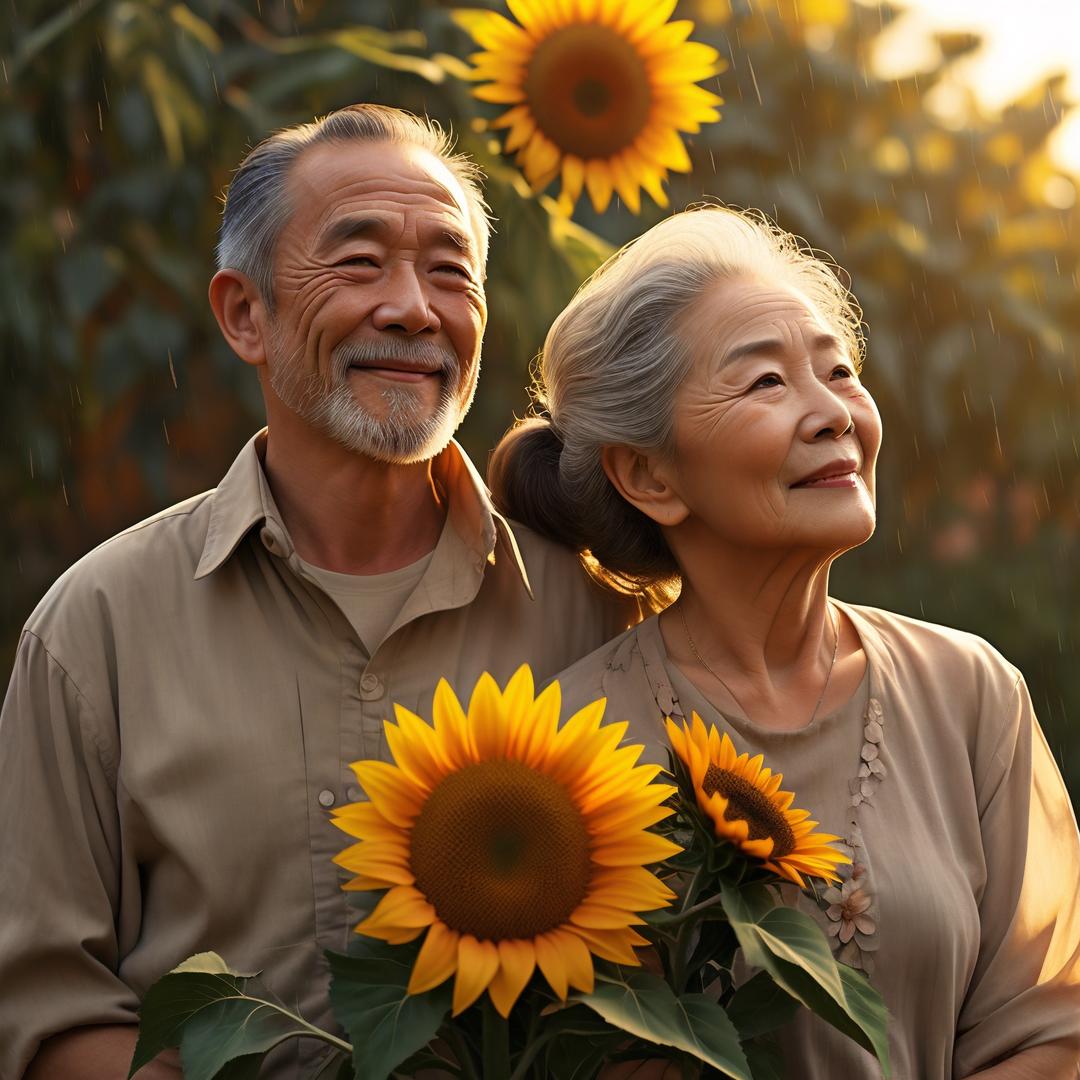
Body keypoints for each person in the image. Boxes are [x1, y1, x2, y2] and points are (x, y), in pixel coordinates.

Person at [0, 104, 639, 1080]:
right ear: (243, 313)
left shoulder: (599, 610)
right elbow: (44, 1008)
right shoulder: (99, 629)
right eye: (359, 262)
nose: (414, 309)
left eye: (448, 270)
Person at [489, 205, 1080, 1079]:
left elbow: (1050, 1031)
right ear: (650, 474)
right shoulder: (565, 748)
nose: (834, 413)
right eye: (766, 383)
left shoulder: (970, 692)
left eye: (838, 372)